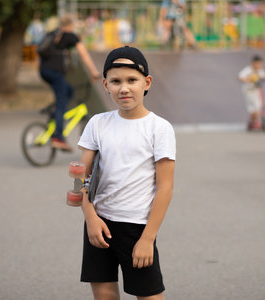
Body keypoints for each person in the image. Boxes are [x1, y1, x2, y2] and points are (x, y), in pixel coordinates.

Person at [77, 46, 176, 299]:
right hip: (98, 225)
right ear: (105, 84)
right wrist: (90, 218)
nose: (124, 88)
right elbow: (80, 178)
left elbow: (165, 187)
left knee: (150, 295)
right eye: (116, 81)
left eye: (132, 80)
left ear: (147, 82)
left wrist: (147, 238)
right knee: (104, 294)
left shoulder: (159, 128)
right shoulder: (97, 123)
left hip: (137, 228)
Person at [38, 15, 100, 152]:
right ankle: (58, 138)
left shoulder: (52, 34)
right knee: (61, 102)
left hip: (44, 71)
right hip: (55, 73)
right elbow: (83, 54)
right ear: (71, 25)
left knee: (69, 91)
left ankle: (53, 115)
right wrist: (93, 71)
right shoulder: (70, 36)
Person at [238, 55, 265, 130]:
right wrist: (247, 79)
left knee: (258, 107)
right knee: (254, 108)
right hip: (248, 91)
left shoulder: (260, 70)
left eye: (260, 64)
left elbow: (263, 76)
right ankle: (254, 122)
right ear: (252, 63)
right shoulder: (248, 70)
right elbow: (240, 77)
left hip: (257, 91)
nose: (258, 66)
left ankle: (252, 121)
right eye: (256, 64)